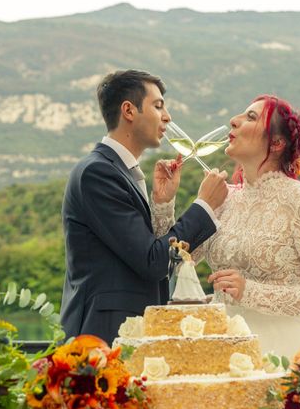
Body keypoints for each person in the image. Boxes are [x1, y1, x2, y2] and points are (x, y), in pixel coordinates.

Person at [154, 94, 300, 358]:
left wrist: (250, 292)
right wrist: (164, 203)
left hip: (289, 351)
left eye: (251, 117)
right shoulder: (222, 199)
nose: (234, 121)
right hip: (225, 346)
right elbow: (170, 263)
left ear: (277, 143)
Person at [61, 69, 228, 343]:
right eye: (158, 105)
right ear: (128, 110)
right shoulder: (98, 173)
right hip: (102, 336)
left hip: (129, 331)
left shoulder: (120, 171)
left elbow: (148, 253)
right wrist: (204, 205)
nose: (167, 116)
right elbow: (152, 261)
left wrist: (161, 204)